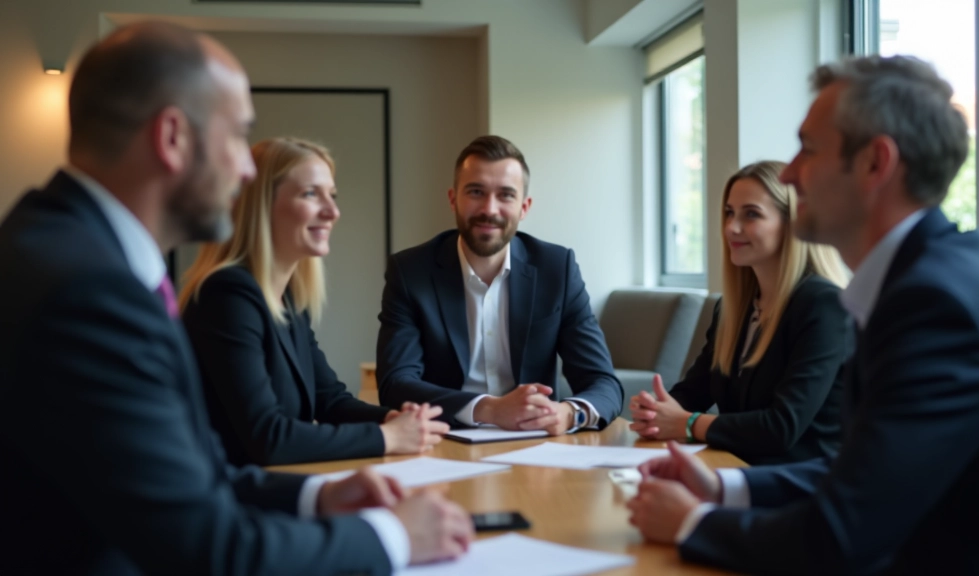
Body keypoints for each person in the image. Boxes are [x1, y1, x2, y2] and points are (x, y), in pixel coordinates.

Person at [0, 22, 472, 575]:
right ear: (173, 137)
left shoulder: (69, 252)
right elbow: (211, 548)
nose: (247, 169)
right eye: (236, 137)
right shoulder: (89, 291)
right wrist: (393, 536)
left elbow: (195, 471)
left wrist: (315, 498)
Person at [627, 55, 979, 574]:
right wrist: (725, 484)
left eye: (808, 149)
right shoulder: (925, 282)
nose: (790, 172)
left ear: (875, 164)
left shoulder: (935, 308)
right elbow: (863, 474)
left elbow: (844, 533)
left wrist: (692, 523)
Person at [180, 137, 448, 466]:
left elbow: (329, 400)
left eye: (332, 196)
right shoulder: (226, 297)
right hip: (236, 502)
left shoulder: (288, 299)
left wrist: (392, 419)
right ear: (261, 205)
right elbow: (268, 437)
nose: (332, 211)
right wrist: (387, 437)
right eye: (310, 193)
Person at [376, 135, 623, 434]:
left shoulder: (557, 269)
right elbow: (395, 384)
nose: (489, 209)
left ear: (524, 207)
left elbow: (603, 382)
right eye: (476, 192)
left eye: (506, 195)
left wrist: (570, 414)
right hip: (446, 439)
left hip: (537, 446)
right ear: (453, 199)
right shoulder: (410, 271)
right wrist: (490, 409)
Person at [628, 160, 851, 465]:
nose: (731, 227)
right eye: (729, 213)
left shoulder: (824, 306)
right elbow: (694, 392)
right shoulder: (733, 309)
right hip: (733, 472)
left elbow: (781, 428)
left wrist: (687, 423)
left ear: (793, 223)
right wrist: (657, 411)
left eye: (751, 214)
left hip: (799, 489)